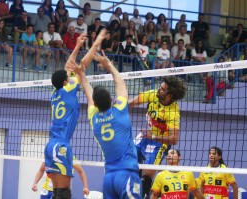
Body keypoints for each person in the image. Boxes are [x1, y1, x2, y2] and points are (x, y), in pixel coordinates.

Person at [69, 29, 142, 198]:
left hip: (108, 177)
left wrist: (82, 76)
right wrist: (109, 65)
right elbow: (121, 83)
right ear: (111, 100)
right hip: (127, 173)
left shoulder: (94, 118)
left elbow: (89, 94)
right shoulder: (119, 112)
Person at [44, 32, 87, 199]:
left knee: (57, 193)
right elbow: (78, 67)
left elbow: (68, 67)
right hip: (61, 145)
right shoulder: (69, 89)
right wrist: (92, 47)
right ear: (64, 82)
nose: (69, 76)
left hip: (51, 145)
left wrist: (77, 45)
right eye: (68, 77)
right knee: (63, 195)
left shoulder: (55, 92)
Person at [129, 76, 187, 198]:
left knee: (148, 172)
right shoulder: (152, 95)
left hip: (161, 141)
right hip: (146, 135)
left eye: (162, 89)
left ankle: (143, 193)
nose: (158, 90)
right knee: (129, 160)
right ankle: (133, 187)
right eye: (160, 87)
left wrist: (154, 136)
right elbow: (131, 103)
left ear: (169, 95)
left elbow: (174, 139)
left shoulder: (173, 112)